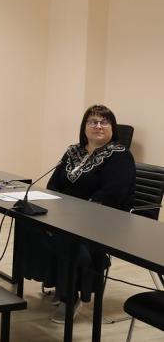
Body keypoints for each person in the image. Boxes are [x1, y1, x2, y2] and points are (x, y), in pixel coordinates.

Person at [23, 104, 135, 324]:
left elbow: (113, 194)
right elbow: (54, 184)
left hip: (105, 218)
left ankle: (70, 295)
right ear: (84, 127)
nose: (98, 126)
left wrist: (76, 212)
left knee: (65, 236)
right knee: (29, 221)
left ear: (112, 128)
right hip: (68, 215)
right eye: (93, 122)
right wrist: (55, 207)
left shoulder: (120, 155)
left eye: (104, 122)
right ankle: (56, 280)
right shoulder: (73, 151)